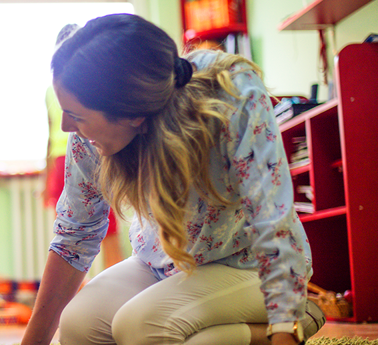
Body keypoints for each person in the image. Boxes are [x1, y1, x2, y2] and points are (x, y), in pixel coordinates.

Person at [22, 14, 325, 345]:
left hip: (246, 265)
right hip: (162, 264)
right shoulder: (87, 131)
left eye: (77, 115)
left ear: (133, 114)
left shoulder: (232, 91)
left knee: (141, 327)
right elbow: (73, 237)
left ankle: (297, 318)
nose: (66, 126)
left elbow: (272, 219)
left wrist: (284, 328)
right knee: (79, 325)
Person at [43, 25, 123, 270]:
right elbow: (50, 134)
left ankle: (105, 280)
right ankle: (79, 288)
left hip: (88, 152)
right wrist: (46, 180)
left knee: (104, 227)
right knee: (70, 229)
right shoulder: (51, 91)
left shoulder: (95, 87)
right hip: (61, 159)